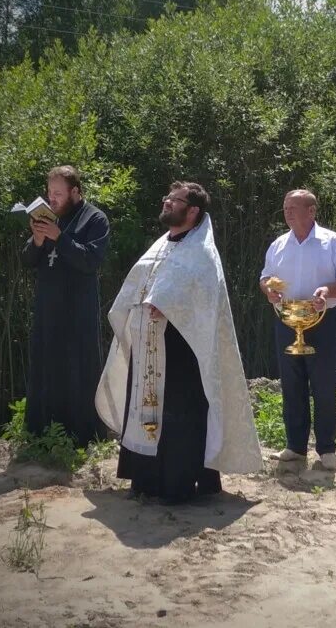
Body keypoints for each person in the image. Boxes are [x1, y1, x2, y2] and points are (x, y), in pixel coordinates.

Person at [95, 182, 261, 503]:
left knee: (179, 414)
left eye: (175, 199)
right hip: (148, 344)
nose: (167, 202)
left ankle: (177, 484)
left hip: (183, 350)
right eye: (168, 197)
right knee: (144, 408)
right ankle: (146, 480)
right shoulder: (161, 245)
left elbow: (204, 298)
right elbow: (139, 285)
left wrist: (170, 305)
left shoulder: (202, 252)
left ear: (193, 210)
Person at [259, 190, 336, 471]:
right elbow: (265, 277)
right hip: (286, 321)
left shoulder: (333, 243)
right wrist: (268, 290)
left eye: (294, 207)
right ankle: (295, 445)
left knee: (324, 384)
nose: (287, 212)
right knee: (291, 383)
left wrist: (328, 291)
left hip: (322, 320)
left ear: (312, 211)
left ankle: (327, 449)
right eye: (285, 207)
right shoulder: (278, 244)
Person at [20, 165, 110, 445]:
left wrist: (60, 237)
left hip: (78, 311)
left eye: (58, 193)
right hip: (49, 309)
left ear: (75, 192)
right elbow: (27, 260)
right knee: (47, 369)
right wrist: (37, 240)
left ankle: (82, 437)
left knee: (78, 370)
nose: (53, 199)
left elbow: (90, 261)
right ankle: (42, 434)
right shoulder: (49, 219)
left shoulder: (95, 219)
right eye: (49, 193)